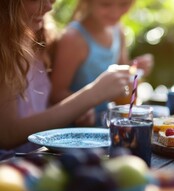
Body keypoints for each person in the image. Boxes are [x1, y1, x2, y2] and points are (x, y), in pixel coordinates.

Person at [0, 0, 131, 155]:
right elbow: (7, 135)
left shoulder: (38, 36)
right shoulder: (6, 50)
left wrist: (77, 110)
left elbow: (40, 104)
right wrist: (93, 94)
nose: (49, 6)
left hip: (42, 155)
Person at [49, 0, 154, 126]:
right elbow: (56, 94)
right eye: (105, 4)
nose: (115, 12)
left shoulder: (118, 30)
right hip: (78, 129)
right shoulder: (73, 38)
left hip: (107, 123)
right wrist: (82, 108)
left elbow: (122, 79)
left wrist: (136, 68)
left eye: (124, 4)